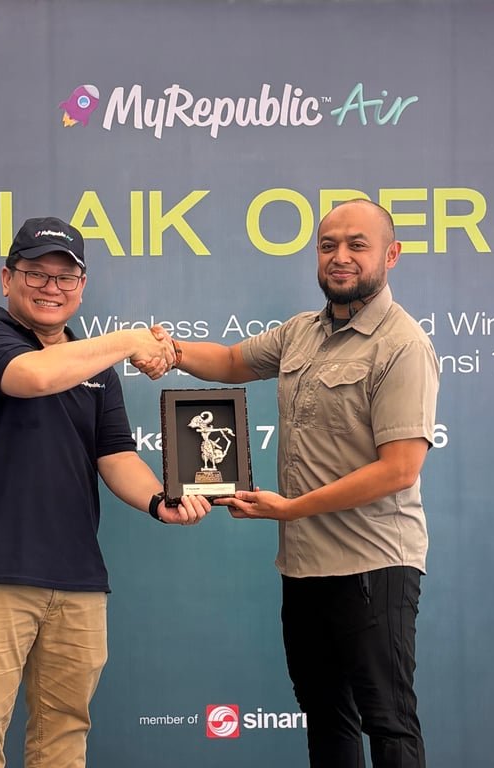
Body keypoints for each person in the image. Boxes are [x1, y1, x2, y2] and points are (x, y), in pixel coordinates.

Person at [142, 200, 439, 767]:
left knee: (389, 722)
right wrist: (172, 352)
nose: (340, 256)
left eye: (357, 244)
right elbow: (232, 361)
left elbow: (400, 468)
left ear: (391, 255)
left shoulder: (402, 344)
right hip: (304, 568)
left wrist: (292, 508)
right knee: (326, 717)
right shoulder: (301, 333)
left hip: (373, 565)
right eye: (328, 246)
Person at [0, 216, 211, 768]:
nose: (51, 287)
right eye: (36, 273)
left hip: (78, 581)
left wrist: (159, 500)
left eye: (65, 277)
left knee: (64, 736)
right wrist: (129, 340)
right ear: (7, 279)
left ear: (82, 286)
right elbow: (35, 376)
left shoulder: (96, 367)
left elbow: (115, 454)